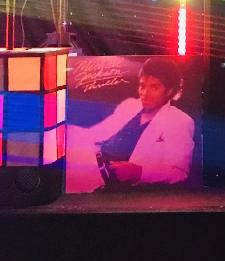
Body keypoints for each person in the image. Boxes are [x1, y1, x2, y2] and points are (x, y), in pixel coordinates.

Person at [76, 58, 195, 189]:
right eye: (142, 86)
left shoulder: (179, 121)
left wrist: (139, 172)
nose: (145, 93)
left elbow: (179, 173)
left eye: (154, 87)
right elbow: (97, 134)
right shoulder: (131, 105)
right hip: (90, 170)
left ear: (170, 91)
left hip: (119, 190)